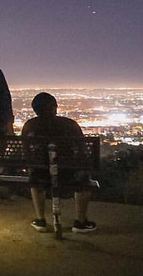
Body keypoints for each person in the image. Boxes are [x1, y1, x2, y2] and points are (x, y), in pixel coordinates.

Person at [22, 92, 97, 234]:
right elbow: (82, 152)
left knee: (35, 179)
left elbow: (26, 153)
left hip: (41, 175)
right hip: (69, 174)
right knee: (84, 180)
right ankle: (80, 222)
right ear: (55, 107)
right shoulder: (69, 124)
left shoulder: (29, 125)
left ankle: (40, 220)